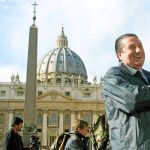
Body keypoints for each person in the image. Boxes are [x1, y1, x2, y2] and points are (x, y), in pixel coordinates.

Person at [102, 33, 150, 150]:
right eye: (132, 47)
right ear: (120, 54)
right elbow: (133, 100)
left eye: (140, 46)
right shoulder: (112, 76)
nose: (139, 50)